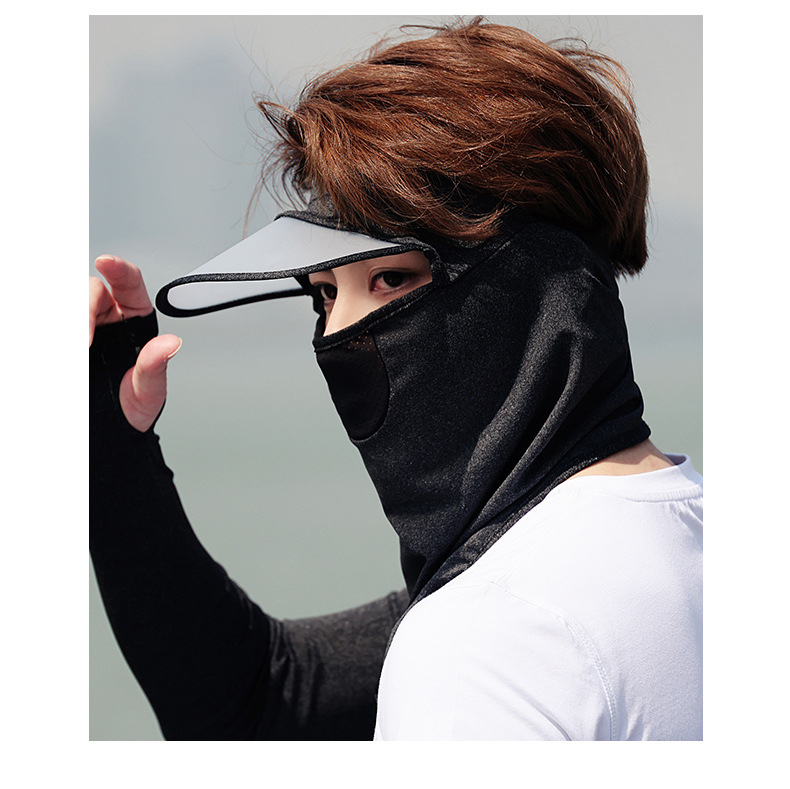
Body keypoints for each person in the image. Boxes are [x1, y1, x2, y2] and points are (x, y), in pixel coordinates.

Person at [89, 18, 702, 740]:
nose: (339, 333)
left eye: (389, 279)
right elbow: (261, 698)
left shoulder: (490, 640)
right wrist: (110, 445)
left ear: (538, 284)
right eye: (324, 294)